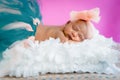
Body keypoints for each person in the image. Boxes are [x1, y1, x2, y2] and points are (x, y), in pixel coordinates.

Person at [35, 8, 100, 43]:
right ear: (68, 23)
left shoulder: (63, 30)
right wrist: (79, 43)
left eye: (79, 36)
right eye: (74, 28)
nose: (74, 34)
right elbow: (65, 42)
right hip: (30, 33)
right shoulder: (59, 32)